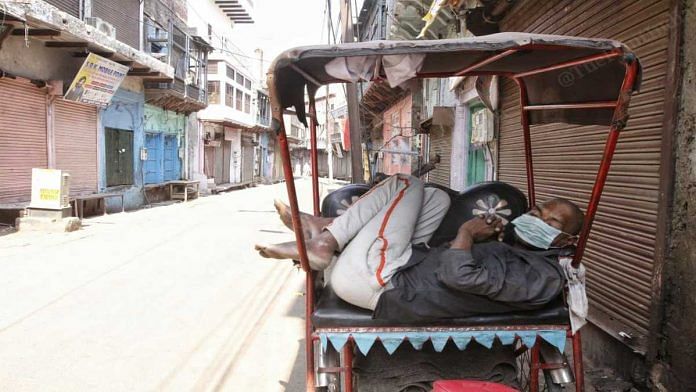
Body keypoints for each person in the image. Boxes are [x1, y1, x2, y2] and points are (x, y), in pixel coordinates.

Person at [256, 174, 584, 321]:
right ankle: (324, 230)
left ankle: (324, 238)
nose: (538, 218)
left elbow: (461, 277)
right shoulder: (518, 252)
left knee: (406, 183)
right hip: (400, 270)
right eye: (538, 211)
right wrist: (480, 240)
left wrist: (468, 234)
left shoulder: (544, 276)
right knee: (433, 196)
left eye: (552, 222)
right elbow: (465, 269)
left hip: (382, 284)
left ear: (565, 241)